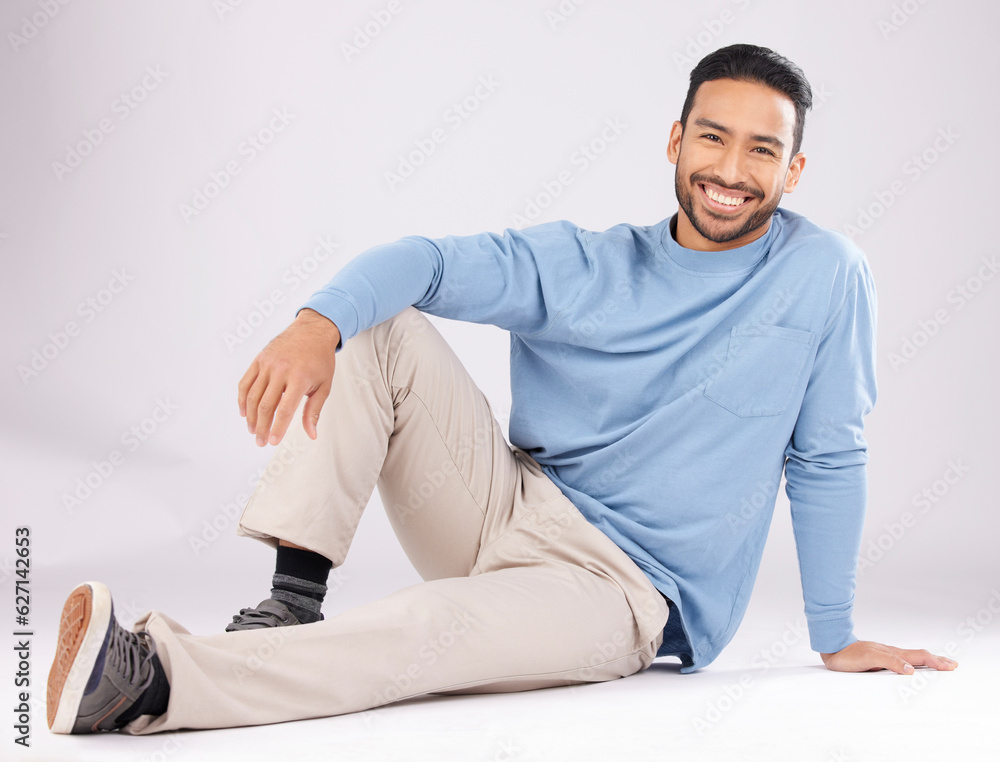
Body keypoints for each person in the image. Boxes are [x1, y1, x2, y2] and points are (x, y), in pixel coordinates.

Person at [46, 43, 957, 736]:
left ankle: (152, 681)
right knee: (382, 320)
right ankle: (291, 598)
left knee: (425, 627)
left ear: (792, 172)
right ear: (677, 141)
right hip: (504, 509)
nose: (731, 169)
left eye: (763, 150)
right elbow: (424, 261)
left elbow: (828, 451)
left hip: (625, 593)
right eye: (713, 137)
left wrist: (834, 634)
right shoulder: (591, 264)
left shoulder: (826, 274)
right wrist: (313, 324)